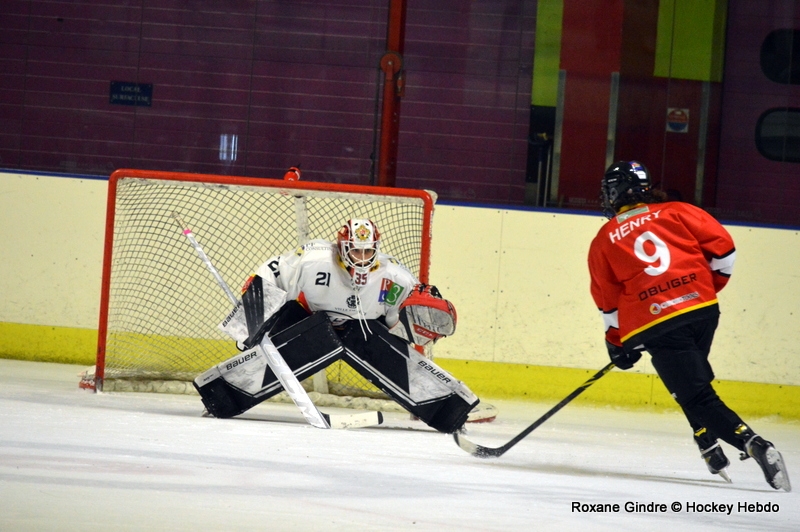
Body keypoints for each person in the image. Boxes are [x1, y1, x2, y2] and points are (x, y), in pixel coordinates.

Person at [587, 160, 791, 491]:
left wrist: (616, 340)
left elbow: (607, 299)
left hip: (659, 323)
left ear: (613, 193)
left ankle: (755, 445)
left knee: (695, 395)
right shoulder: (678, 211)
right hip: (702, 312)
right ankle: (707, 442)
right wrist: (703, 289)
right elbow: (724, 251)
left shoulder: (605, 238)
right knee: (693, 383)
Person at [195, 218, 480, 434]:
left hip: (363, 330)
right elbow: (274, 270)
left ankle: (448, 411)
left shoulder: (394, 277)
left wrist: (415, 327)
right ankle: (222, 397)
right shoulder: (314, 260)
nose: (362, 258)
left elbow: (401, 323)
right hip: (308, 321)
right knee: (278, 346)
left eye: (368, 252)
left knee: (389, 353)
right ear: (342, 247)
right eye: (355, 251)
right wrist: (253, 309)